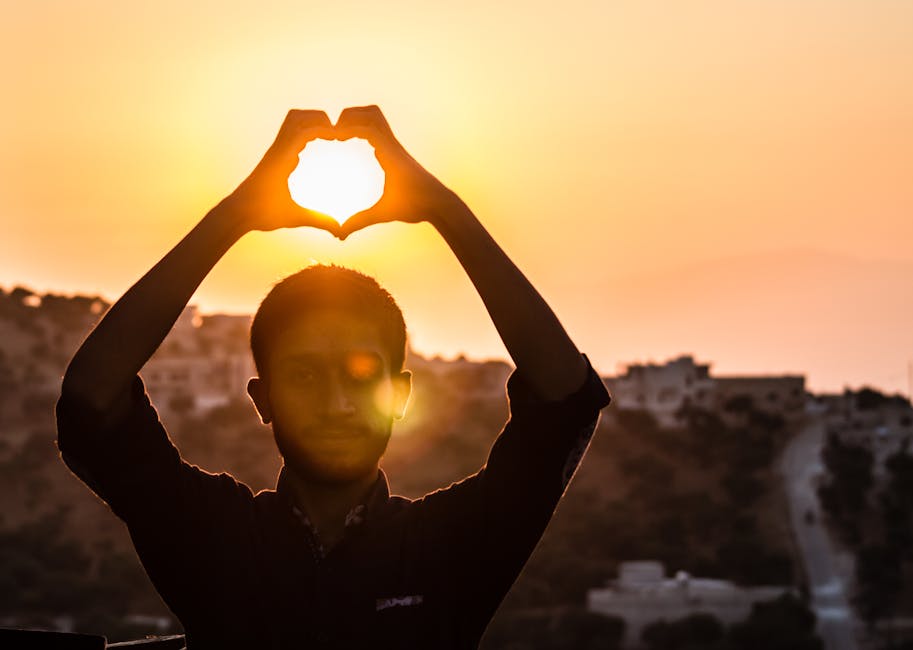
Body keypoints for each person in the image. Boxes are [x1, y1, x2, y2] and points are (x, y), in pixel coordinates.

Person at [57, 106, 610, 649]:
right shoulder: (212, 535)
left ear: (401, 394)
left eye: (362, 376)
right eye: (303, 375)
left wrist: (443, 209)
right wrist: (234, 216)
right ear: (262, 398)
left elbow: (563, 399)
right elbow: (93, 401)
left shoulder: (450, 545)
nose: (338, 403)